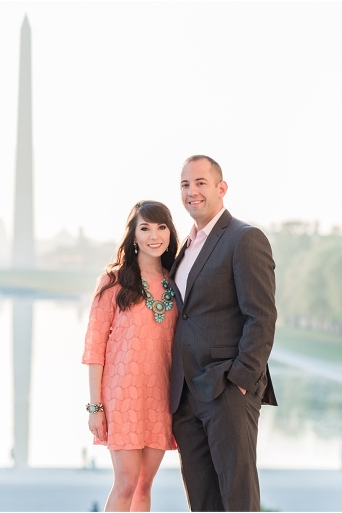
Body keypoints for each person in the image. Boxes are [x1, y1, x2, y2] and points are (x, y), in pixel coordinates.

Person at [168, 155, 277, 512]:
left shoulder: (244, 239)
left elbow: (261, 317)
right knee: (203, 503)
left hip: (226, 391)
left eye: (200, 182)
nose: (192, 191)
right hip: (186, 398)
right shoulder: (184, 248)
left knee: (238, 500)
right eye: (185, 184)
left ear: (221, 188)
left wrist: (240, 381)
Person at [82, 200, 181, 512]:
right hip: (122, 396)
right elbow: (94, 349)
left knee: (143, 485)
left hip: (160, 396)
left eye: (161, 227)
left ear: (169, 232)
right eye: (145, 228)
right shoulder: (112, 281)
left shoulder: (176, 281)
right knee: (126, 483)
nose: (154, 235)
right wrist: (95, 407)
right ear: (134, 235)